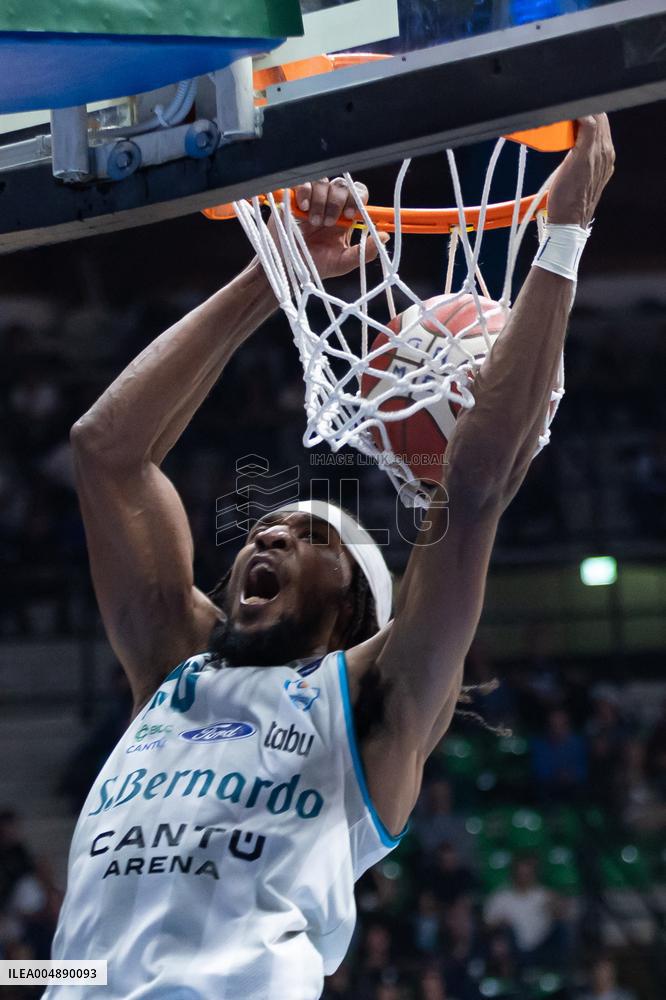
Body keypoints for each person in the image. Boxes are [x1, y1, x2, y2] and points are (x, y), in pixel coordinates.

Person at [45, 115, 614, 998]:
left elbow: (470, 496)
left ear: (352, 610)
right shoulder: (173, 671)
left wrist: (565, 236)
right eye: (265, 531)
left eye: (315, 538)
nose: (269, 536)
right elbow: (106, 452)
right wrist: (274, 274)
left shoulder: (373, 705)